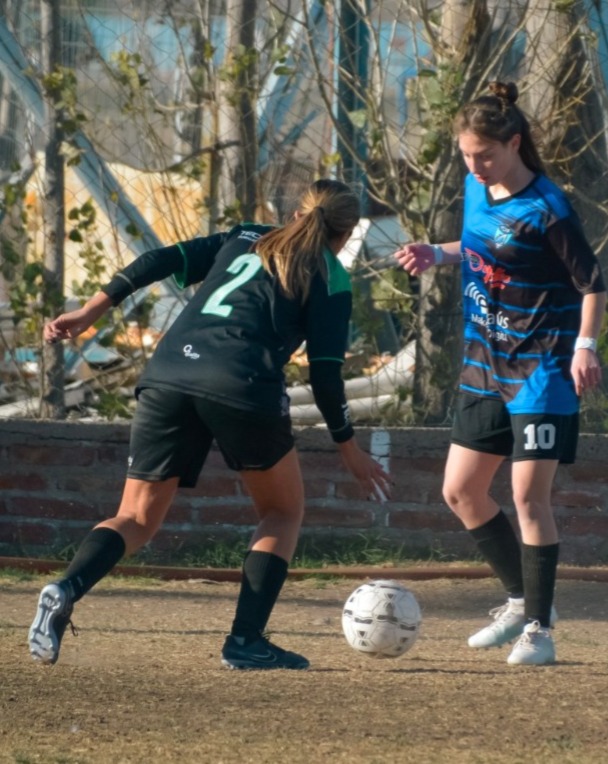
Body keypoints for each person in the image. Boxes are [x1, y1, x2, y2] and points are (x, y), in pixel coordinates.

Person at [30, 179, 391, 670]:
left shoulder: (243, 235)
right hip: (241, 384)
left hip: (167, 373)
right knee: (282, 513)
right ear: (345, 235)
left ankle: (65, 585)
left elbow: (158, 259)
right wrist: (348, 447)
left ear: (294, 212)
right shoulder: (330, 276)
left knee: (135, 518)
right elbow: (326, 375)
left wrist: (91, 310)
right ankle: (245, 642)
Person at [394, 81, 607, 666]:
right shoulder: (475, 186)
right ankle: (522, 600)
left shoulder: (550, 208)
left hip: (541, 367)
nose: (474, 164)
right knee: (461, 491)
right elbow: (484, 245)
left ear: (514, 143)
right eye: (466, 154)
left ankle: (539, 628)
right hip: (483, 361)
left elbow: (593, 284)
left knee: (527, 497)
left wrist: (585, 346)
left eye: (484, 154)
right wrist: (438, 254)